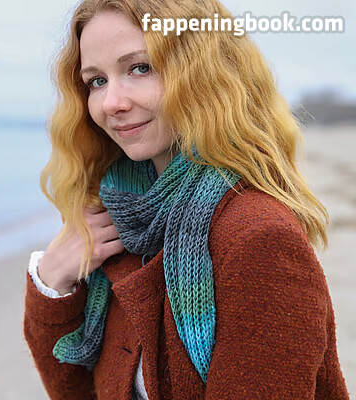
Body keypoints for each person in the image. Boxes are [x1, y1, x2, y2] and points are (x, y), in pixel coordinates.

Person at [23, 0, 350, 399]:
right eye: (97, 81)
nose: (111, 103)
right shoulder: (124, 219)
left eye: (140, 68)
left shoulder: (258, 238)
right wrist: (52, 281)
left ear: (206, 73)